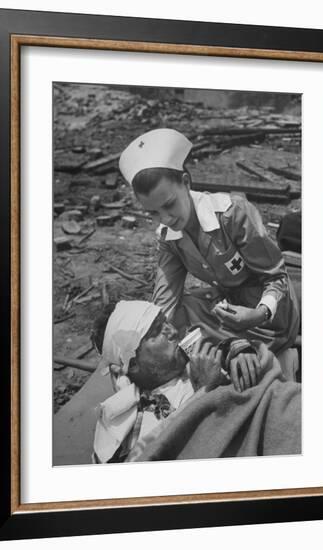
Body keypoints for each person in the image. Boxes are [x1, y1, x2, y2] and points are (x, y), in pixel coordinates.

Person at [119, 128, 300, 355]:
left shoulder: (233, 214)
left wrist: (260, 313)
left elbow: (276, 277)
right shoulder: (168, 238)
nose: (165, 218)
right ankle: (227, 346)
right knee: (180, 310)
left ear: (186, 182)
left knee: (202, 342)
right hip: (229, 310)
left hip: (269, 316)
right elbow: (166, 298)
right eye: (153, 213)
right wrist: (149, 339)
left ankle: (233, 347)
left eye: (169, 204)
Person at [92, 300, 301, 464]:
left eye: (166, 322)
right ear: (134, 364)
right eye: (157, 332)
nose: (173, 331)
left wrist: (240, 350)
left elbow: (265, 379)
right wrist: (204, 394)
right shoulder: (122, 429)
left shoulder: (202, 360)